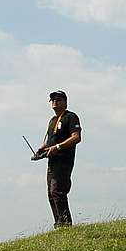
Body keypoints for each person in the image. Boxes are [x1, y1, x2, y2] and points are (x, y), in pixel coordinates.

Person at [34, 90, 82, 228]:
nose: (55, 101)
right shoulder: (52, 120)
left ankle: (66, 224)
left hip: (64, 160)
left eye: (58, 99)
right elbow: (51, 140)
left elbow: (76, 137)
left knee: (57, 191)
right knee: (51, 193)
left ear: (65, 102)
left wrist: (58, 148)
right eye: (52, 100)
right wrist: (42, 149)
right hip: (52, 161)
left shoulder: (71, 117)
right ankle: (59, 223)